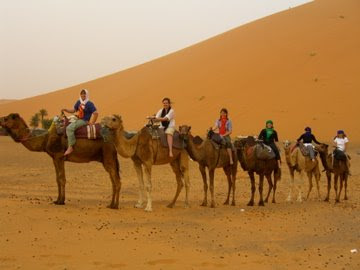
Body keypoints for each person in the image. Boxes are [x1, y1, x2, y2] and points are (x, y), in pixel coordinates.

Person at [61, 89, 98, 156]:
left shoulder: (89, 104)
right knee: (63, 122)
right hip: (77, 118)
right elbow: (74, 110)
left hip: (84, 120)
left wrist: (92, 123)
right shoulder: (79, 102)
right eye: (82, 94)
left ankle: (71, 146)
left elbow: (95, 113)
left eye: (84, 94)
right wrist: (66, 110)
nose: (83, 95)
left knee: (69, 128)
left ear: (87, 95)